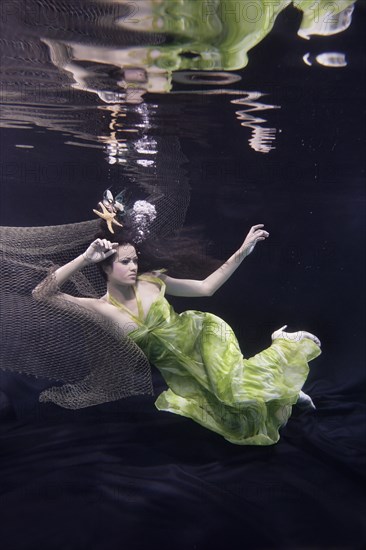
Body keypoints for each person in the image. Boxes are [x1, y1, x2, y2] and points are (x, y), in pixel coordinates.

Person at [34, 220, 321, 445]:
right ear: (106, 268)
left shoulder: (151, 280)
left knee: (231, 387)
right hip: (181, 374)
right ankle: (288, 395)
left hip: (203, 336)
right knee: (238, 423)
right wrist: (85, 258)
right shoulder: (99, 308)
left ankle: (283, 345)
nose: (134, 266)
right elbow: (41, 294)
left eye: (135, 259)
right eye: (125, 262)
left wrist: (242, 251)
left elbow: (207, 287)